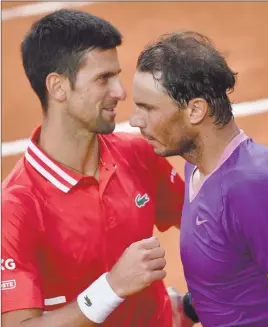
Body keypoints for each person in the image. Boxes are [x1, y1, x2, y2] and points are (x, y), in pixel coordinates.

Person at [1, 9, 193, 327]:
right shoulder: (16, 207)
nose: (120, 91)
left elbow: (205, 223)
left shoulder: (139, 154)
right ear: (58, 87)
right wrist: (111, 288)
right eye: (104, 78)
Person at [130, 31, 268, 327]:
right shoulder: (197, 168)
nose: (136, 120)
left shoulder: (253, 190)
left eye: (148, 108)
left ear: (195, 110)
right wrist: (192, 306)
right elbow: (236, 266)